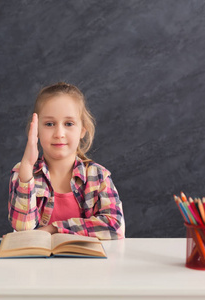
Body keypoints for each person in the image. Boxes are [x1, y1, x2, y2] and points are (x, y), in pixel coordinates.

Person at [8, 82, 125, 239]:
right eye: (49, 124)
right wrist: (27, 168)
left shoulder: (98, 176)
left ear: (82, 130)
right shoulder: (23, 173)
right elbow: (23, 230)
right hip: (38, 263)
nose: (59, 133)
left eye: (69, 124)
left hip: (88, 263)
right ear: (35, 130)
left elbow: (114, 226)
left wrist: (54, 229)